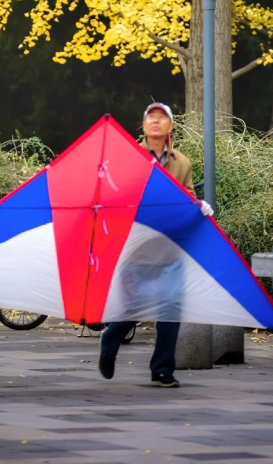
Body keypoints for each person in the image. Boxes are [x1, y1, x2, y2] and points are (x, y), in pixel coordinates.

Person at [98, 102, 213, 388]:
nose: (157, 122)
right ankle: (111, 337)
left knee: (171, 307)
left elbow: (185, 201)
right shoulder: (129, 157)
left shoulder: (181, 162)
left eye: (163, 118)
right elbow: (116, 194)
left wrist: (199, 206)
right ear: (144, 124)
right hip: (136, 247)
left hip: (170, 249)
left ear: (171, 127)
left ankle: (162, 369)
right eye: (152, 117)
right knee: (133, 308)